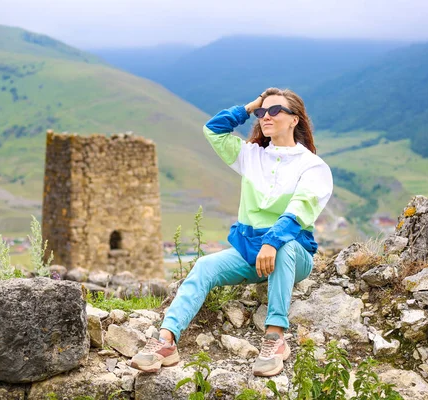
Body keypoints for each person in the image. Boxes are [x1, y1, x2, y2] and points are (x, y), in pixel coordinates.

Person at [131, 87, 333, 377]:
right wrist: (250, 107)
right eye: (263, 112)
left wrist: (272, 242)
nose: (266, 116)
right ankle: (166, 341)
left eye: (275, 111)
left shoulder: (313, 166)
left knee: (285, 247)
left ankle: (275, 337)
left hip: (292, 253)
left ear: (295, 120)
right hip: (252, 252)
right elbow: (213, 130)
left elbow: (298, 211)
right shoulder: (251, 155)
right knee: (204, 266)